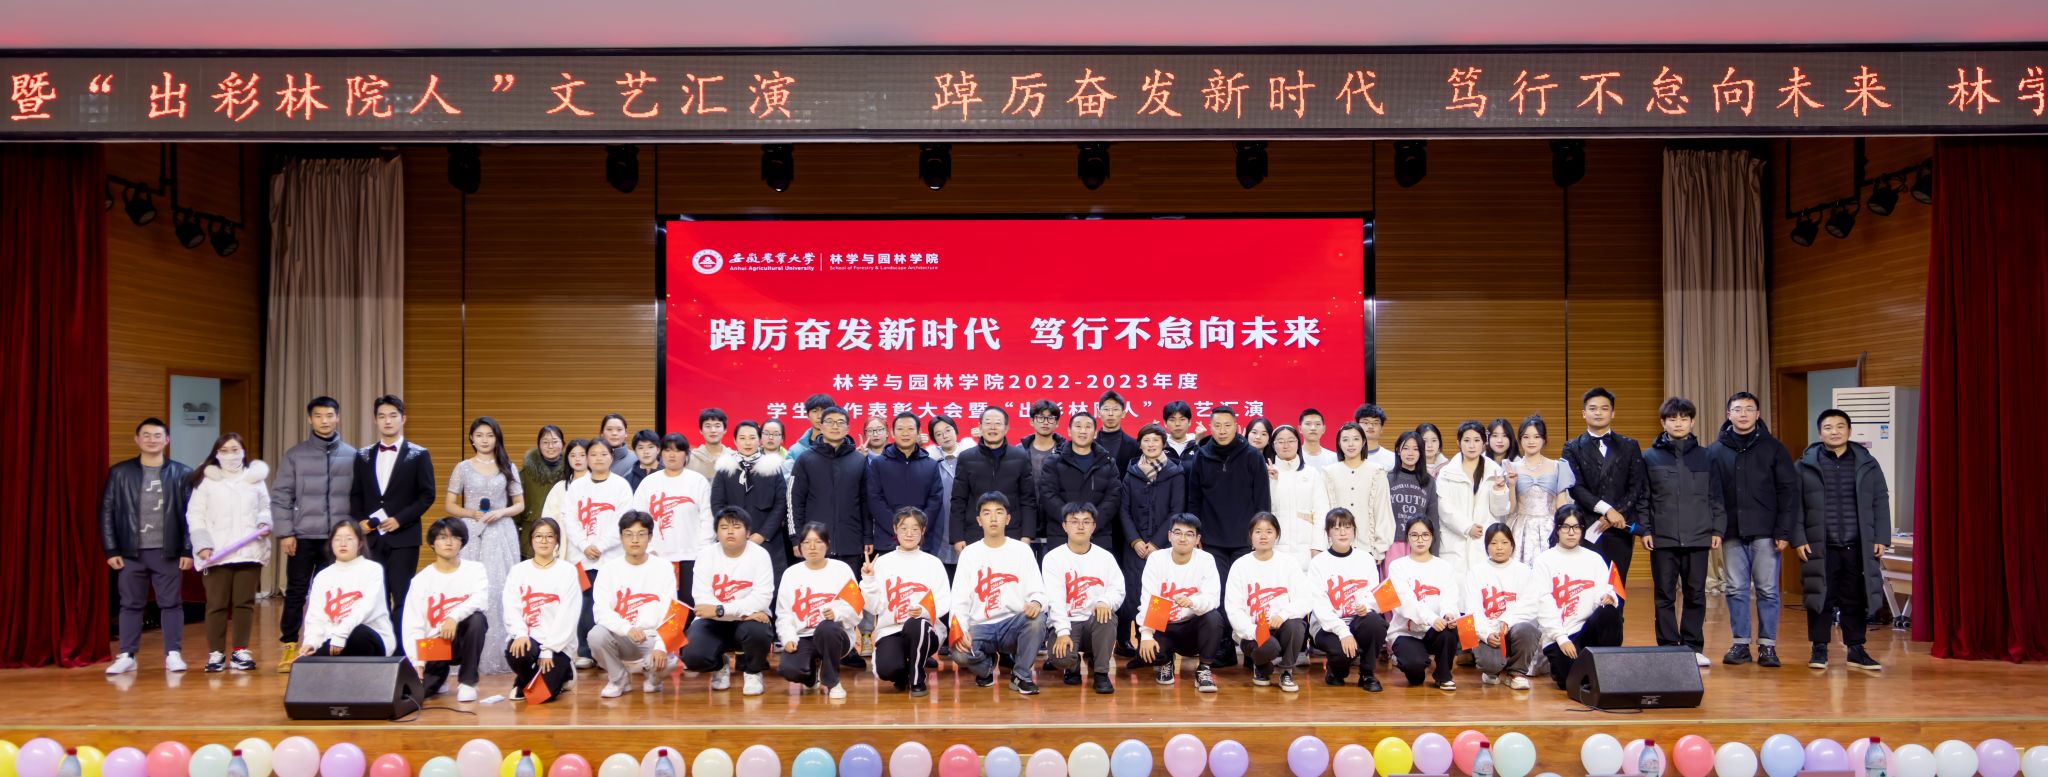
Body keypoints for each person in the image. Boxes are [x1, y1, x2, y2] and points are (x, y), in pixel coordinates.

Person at [1708, 391, 1802, 668]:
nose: (1743, 414)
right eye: (1738, 409)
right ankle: (1740, 644)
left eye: (1749, 409)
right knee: (1735, 589)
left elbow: (1788, 492)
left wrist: (1784, 532)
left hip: (1767, 532)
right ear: (1728, 415)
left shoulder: (1774, 448)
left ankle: (1767, 647)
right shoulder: (1714, 451)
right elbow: (1711, 495)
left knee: (1768, 590)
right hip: (1731, 532)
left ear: (1758, 414)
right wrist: (1715, 528)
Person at [1795, 409, 1891, 673]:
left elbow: (1880, 500)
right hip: (1820, 545)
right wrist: (1798, 538)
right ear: (1819, 433)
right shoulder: (1804, 465)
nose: (1834, 432)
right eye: (1828, 427)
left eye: (1840, 426)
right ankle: (1819, 648)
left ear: (1849, 431)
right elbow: (1794, 505)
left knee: (1855, 598)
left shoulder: (1867, 463)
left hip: (1857, 544)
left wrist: (1881, 537)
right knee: (1820, 596)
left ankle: (1856, 649)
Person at [1638, 397, 1727, 667]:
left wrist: (1717, 528)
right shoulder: (1649, 457)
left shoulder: (1707, 456)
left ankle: (1693, 647)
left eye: (1684, 418)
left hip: (1699, 535)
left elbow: (1716, 496)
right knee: (1664, 594)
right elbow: (1644, 498)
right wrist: (1645, 529)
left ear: (1692, 422)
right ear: (1663, 423)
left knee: (1695, 594)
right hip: (1662, 537)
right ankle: (1667, 646)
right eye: (1672, 419)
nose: (1678, 423)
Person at [102, 418, 196, 674]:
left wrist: (188, 549)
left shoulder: (182, 473)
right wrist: (111, 549)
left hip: (168, 551)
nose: (151, 440)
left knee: (171, 604)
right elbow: (107, 511)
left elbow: (192, 515)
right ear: (137, 439)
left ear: (167, 440)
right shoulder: (120, 472)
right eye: (146, 435)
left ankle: (173, 654)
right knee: (130, 604)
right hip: (130, 552)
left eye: (157, 435)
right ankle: (127, 655)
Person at [271, 396, 357, 673]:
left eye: (329, 415)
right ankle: (289, 645)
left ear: (338, 417)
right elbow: (281, 495)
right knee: (296, 591)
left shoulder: (352, 455)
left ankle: (329, 644)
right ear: (310, 419)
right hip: (303, 536)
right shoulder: (295, 455)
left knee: (335, 594)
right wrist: (286, 532)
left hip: (337, 540)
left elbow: (358, 497)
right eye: (318, 416)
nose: (324, 421)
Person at [350, 395, 437, 640]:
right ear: (375, 420)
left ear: (403, 419)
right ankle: (380, 646)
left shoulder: (418, 454)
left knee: (401, 595)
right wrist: (360, 521)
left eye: (392, 416)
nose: (387, 421)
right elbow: (356, 494)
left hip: (404, 537)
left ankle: (401, 648)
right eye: (382, 416)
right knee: (375, 596)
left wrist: (400, 519)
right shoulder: (363, 455)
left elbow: (427, 495)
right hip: (371, 538)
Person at [950, 491, 1052, 695]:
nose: (993, 518)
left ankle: (1021, 675)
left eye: (999, 512)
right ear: (979, 521)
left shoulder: (1022, 550)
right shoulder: (969, 553)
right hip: (981, 626)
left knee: (1038, 620)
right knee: (958, 653)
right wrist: (961, 630)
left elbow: (1039, 592)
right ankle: (986, 667)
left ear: (1008, 518)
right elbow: (959, 599)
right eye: (987, 513)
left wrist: (1036, 603)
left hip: (1013, 624)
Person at [445, 416, 524, 676]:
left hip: (501, 532)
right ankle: (467, 653)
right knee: (471, 589)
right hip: (471, 532)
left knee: (500, 589)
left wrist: (501, 512)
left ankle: (502, 653)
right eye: (479, 435)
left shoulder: (508, 466)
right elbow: (449, 505)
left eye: (489, 435)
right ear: (471, 438)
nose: (484, 440)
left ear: (497, 438)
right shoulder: (463, 468)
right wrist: (471, 513)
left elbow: (519, 505)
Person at [186, 432, 271, 673]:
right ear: (216, 454)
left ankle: (240, 651)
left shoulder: (255, 479)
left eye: (235, 450)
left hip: (249, 551)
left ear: (243, 452)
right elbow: (195, 515)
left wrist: (264, 522)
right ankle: (216, 653)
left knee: (244, 604)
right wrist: (202, 544)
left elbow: (265, 507)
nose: (230, 455)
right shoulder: (206, 481)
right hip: (216, 553)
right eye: (224, 451)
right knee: (216, 605)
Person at [681, 507, 777, 695]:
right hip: (716, 621)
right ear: (716, 533)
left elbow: (762, 597)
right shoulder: (705, 555)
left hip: (745, 621)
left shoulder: (760, 555)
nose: (730, 532)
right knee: (691, 654)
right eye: (724, 527)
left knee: (759, 631)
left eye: (736, 527)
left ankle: (753, 672)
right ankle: (719, 665)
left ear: (748, 532)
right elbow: (702, 601)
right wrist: (741, 611)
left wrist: (719, 610)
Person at [1560, 388, 1647, 587]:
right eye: (1593, 408)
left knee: (1616, 586)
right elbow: (1575, 488)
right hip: (1588, 525)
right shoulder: (1572, 447)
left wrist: (1616, 514)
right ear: (1584, 413)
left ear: (1612, 413)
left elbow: (1636, 487)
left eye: (1604, 408)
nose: (1598, 412)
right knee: (1587, 586)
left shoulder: (1630, 445)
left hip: (1620, 527)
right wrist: (1607, 511)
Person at [861, 507, 952, 696]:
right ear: (895, 529)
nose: (909, 534)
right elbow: (874, 607)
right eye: (904, 528)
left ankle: (917, 676)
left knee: (916, 624)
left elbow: (944, 600)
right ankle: (905, 671)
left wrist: (924, 611)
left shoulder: (933, 563)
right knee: (887, 670)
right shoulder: (882, 562)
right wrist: (868, 580)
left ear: (923, 531)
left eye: (915, 529)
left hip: (926, 630)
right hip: (891, 630)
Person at [588, 510, 678, 697]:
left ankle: (653, 678)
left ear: (650, 537)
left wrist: (661, 646)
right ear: (621, 537)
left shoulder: (663, 567)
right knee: (596, 635)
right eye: (628, 534)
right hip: (622, 635)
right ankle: (619, 679)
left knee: (668, 661)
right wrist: (626, 628)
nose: (634, 540)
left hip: (651, 636)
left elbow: (671, 611)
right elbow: (601, 611)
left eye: (641, 534)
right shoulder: (608, 569)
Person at [1535, 506, 1623, 691]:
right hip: (1561, 636)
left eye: (1576, 527)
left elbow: (1603, 589)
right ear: (1557, 529)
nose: (1571, 532)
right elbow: (1543, 603)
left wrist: (1607, 597)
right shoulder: (1544, 561)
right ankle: (1586, 671)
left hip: (1587, 629)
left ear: (1582, 530)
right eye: (1566, 527)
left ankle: (1608, 666)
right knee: (1571, 682)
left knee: (1610, 612)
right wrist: (1561, 638)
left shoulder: (1594, 558)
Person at [1040, 502, 1125, 694]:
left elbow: (1118, 589)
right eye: (1074, 521)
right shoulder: (1053, 558)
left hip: (1093, 623)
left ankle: (1101, 673)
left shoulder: (1105, 557)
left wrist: (1105, 601)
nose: (1080, 526)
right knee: (1061, 658)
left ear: (1093, 526)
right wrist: (1062, 632)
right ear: (1064, 526)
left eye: (1086, 522)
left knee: (1107, 617)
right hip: (1067, 623)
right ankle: (1072, 665)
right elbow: (1054, 599)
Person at [402, 518, 491, 701]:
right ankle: (438, 677)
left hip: (461, 640)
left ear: (462, 542)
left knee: (477, 619)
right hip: (433, 644)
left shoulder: (475, 569)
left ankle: (467, 682)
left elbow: (480, 599)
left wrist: (452, 617)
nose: (449, 542)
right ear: (432, 543)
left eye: (455, 537)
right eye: (442, 537)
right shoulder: (421, 580)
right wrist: (417, 663)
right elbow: (412, 625)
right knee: (417, 695)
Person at [562, 439, 633, 668]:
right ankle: (585, 651)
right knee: (584, 603)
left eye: (603, 454)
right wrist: (584, 545)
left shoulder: (621, 486)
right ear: (586, 458)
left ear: (612, 457)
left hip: (611, 557)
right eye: (593, 454)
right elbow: (569, 519)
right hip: (582, 556)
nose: (598, 458)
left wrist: (600, 546)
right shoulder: (576, 487)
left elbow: (623, 520)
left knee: (610, 602)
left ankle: (610, 651)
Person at [1224, 513, 1314, 692]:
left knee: (1297, 626)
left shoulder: (1288, 563)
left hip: (1280, 625)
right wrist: (1254, 631)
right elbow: (1233, 609)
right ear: (1250, 535)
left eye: (1269, 531)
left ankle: (1286, 671)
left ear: (1277, 535)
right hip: (1252, 630)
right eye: (1258, 531)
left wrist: (1283, 614)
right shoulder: (1240, 565)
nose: (1263, 536)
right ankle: (1262, 667)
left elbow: (1306, 598)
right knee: (1269, 647)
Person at [1136, 514, 1226, 692]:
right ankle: (1165, 661)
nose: (1182, 538)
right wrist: (1146, 635)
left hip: (1192, 626)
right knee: (1150, 652)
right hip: (1163, 624)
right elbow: (1148, 598)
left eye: (1189, 534)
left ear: (1197, 539)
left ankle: (1204, 668)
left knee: (1214, 618)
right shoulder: (1156, 559)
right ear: (1169, 536)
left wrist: (1192, 601)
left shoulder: (1206, 559)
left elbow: (1212, 598)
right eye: (1178, 532)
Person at [1119, 424, 1185, 660]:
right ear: (1140, 444)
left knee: (1159, 596)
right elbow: (1124, 511)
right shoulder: (1131, 473)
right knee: (1134, 596)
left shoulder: (1175, 473)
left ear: (1163, 444)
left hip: (1163, 545)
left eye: (1155, 440)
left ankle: (1156, 649)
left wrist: (1156, 543)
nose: (1151, 444)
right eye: (1146, 440)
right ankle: (1135, 646)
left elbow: (1176, 510)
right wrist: (1135, 540)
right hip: (1134, 547)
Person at [776, 522, 863, 698]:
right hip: (803, 636)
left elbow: (856, 609)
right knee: (789, 669)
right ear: (800, 546)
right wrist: (788, 637)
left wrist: (837, 614)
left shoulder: (842, 570)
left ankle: (833, 682)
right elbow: (783, 614)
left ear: (828, 544)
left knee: (827, 627)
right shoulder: (791, 574)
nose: (812, 547)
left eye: (818, 542)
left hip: (836, 635)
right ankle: (810, 678)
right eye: (807, 543)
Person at [1308, 507, 1389, 692]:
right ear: (1328, 532)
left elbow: (1373, 594)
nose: (1342, 532)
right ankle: (1335, 671)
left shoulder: (1366, 559)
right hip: (1328, 626)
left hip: (1358, 620)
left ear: (1354, 530)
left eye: (1347, 527)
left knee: (1375, 623)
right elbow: (1320, 606)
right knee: (1341, 653)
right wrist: (1343, 632)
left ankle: (1367, 673)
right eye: (1336, 528)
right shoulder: (1318, 563)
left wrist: (1366, 606)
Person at [1186, 405, 1271, 573]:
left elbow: (1262, 499)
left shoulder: (1252, 456)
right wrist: (1194, 532)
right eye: (1217, 426)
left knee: (1244, 585)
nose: (1222, 431)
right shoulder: (1201, 456)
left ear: (1236, 426)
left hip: (1245, 538)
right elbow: (1194, 499)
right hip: (1211, 540)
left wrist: (1260, 533)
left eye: (1227, 425)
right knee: (1217, 586)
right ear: (1210, 427)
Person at [503, 517, 580, 703]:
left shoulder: (567, 571)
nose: (544, 541)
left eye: (549, 536)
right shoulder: (518, 570)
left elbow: (568, 615)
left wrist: (549, 649)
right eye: (538, 536)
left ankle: (566, 671)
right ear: (531, 540)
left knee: (541, 697)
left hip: (558, 643)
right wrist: (520, 633)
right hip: (530, 639)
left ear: (557, 540)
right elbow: (511, 606)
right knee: (517, 651)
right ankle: (524, 680)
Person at [295, 521, 395, 659]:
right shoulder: (322, 576)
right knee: (306, 659)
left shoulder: (372, 569)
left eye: (349, 539)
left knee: (357, 634)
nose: (343, 543)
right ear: (331, 543)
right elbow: (315, 616)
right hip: (332, 638)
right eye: (337, 539)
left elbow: (366, 608)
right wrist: (311, 642)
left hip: (368, 635)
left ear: (360, 543)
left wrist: (341, 634)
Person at [635, 432, 713, 602]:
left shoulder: (698, 481)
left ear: (686, 454)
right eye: (668, 450)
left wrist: (702, 550)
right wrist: (648, 548)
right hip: (657, 556)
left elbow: (708, 518)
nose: (672, 455)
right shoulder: (648, 483)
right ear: (661, 453)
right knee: (659, 604)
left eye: (678, 450)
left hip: (691, 556)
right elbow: (639, 520)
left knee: (691, 604)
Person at [1387, 518, 1462, 690]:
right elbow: (1404, 602)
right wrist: (1432, 618)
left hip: (1434, 630)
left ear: (1432, 537)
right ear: (1407, 538)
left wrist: (1448, 614)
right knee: (1415, 675)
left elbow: (1450, 597)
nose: (1420, 540)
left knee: (1450, 629)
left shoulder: (1444, 567)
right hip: (1406, 633)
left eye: (1425, 535)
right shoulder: (1397, 566)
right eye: (1414, 535)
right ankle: (1411, 661)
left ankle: (1443, 676)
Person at [950, 407, 1038, 553]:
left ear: (1006, 428)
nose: (992, 427)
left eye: (997, 423)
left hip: (1012, 532)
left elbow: (1028, 499)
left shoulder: (1020, 456)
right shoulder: (966, 458)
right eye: (988, 423)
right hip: (975, 532)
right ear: (980, 427)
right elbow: (958, 500)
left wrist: (1027, 535)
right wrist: (957, 537)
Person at [791, 406, 870, 569]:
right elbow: (794, 502)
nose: (835, 426)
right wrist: (796, 537)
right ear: (820, 426)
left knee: (849, 585)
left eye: (840, 422)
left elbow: (866, 503)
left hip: (850, 545)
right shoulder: (805, 459)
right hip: (814, 545)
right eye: (829, 422)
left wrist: (867, 536)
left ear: (848, 428)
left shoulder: (859, 460)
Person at [1467, 524, 1542, 690]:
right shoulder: (1476, 572)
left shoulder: (1523, 571)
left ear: (1512, 545)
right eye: (1493, 543)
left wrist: (1507, 621)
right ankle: (1491, 672)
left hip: (1513, 629)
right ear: (1486, 547)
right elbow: (1473, 609)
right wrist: (1486, 634)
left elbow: (1531, 604)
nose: (1499, 547)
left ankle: (1516, 673)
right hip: (1488, 631)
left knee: (1527, 630)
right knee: (1490, 664)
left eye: (1504, 542)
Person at [712, 421, 791, 578]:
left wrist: (762, 535)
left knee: (769, 584)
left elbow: (781, 503)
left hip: (768, 541)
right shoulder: (725, 468)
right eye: (742, 438)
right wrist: (733, 531)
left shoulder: (773, 466)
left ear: (759, 440)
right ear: (735, 441)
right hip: (732, 539)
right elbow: (717, 504)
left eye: (752, 437)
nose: (747, 442)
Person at [1435, 421, 1512, 577]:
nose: (1472, 445)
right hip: (1455, 541)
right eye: (1466, 440)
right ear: (1459, 442)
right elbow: (1443, 506)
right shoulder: (1447, 472)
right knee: (1455, 585)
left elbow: (1500, 511)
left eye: (1476, 440)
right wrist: (1467, 527)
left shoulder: (1495, 471)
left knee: (1484, 585)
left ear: (1484, 443)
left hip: (1483, 540)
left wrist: (1499, 491)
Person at [1039, 412, 1123, 551]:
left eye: (1088, 427)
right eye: (1078, 426)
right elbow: (1048, 495)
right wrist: (1071, 522)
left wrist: (1091, 523)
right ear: (1069, 431)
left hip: (1098, 536)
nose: (1083, 431)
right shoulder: (1053, 461)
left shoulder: (1108, 463)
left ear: (1095, 433)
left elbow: (1113, 497)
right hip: (1061, 535)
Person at [866, 412, 946, 553]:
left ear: (918, 432)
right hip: (888, 540)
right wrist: (899, 528)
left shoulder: (931, 465)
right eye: (900, 429)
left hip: (922, 540)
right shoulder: (878, 464)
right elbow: (874, 499)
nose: (905, 433)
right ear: (892, 432)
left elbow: (935, 500)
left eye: (910, 429)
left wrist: (917, 528)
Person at [1505, 416, 1575, 567]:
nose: (1531, 441)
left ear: (1544, 439)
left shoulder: (1558, 466)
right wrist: (1511, 485)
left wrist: (1564, 529)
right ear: (1520, 440)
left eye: (1536, 437)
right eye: (1526, 437)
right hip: (1521, 527)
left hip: (1549, 525)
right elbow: (1510, 508)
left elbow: (1562, 505)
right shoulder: (1511, 467)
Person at [1265, 425, 1329, 568]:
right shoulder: (1266, 473)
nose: (1286, 445)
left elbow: (1321, 512)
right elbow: (1265, 510)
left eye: (1291, 441)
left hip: (1307, 548)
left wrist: (1318, 546)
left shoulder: (1311, 473)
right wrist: (1273, 481)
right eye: (1280, 441)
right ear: (1273, 445)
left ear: (1298, 444)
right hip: (1276, 546)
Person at [1385, 431, 1439, 570]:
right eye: (1406, 448)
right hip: (1392, 544)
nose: (1410, 453)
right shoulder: (1387, 479)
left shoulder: (1429, 482)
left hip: (1419, 543)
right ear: (1398, 450)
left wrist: (1434, 553)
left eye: (1415, 449)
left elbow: (1433, 520)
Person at [517, 425, 569, 562]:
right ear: (539, 445)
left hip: (563, 537)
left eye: (555, 442)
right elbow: (516, 511)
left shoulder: (571, 472)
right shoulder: (525, 474)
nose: (550, 446)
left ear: (563, 444)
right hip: (531, 537)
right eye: (545, 442)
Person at [923, 416, 964, 568]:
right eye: (939, 434)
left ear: (956, 431)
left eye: (948, 430)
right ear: (934, 439)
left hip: (966, 522)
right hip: (939, 522)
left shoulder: (970, 457)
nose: (945, 436)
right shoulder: (929, 462)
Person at [1024, 400, 1068, 500]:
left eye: (1050, 418)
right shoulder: (1020, 451)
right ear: (1031, 421)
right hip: (1027, 506)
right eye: (1040, 417)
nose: (1045, 422)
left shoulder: (1066, 451)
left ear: (1057, 423)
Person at [1094, 391, 1141, 475]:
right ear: (1099, 413)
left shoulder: (1135, 446)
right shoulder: (1089, 444)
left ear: (1123, 414)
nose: (1110, 414)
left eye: (1115, 409)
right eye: (1106, 409)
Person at [786, 394, 836, 461]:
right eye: (814, 411)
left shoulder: (842, 448)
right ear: (807, 415)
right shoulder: (796, 451)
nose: (819, 416)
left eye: (823, 411)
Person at [688, 409, 730, 480]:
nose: (713, 430)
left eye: (717, 426)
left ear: (725, 429)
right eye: (708, 426)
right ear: (701, 430)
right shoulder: (690, 459)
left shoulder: (734, 458)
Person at [1354, 405, 1397, 472]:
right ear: (1357, 426)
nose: (1370, 426)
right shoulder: (1346, 457)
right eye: (1366, 422)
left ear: (1381, 428)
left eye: (1375, 423)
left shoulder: (1393, 459)